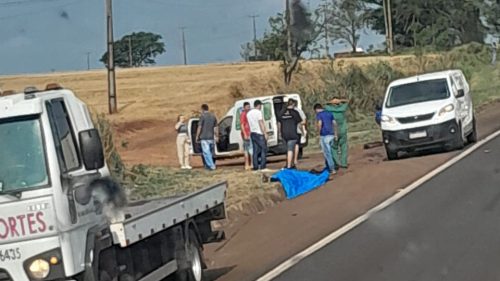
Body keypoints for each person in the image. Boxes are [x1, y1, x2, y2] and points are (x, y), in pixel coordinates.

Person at [325, 97, 349, 169]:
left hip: (333, 131)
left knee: (333, 147)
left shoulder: (329, 109)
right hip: (343, 130)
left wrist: (331, 101)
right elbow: (347, 101)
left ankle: (337, 162)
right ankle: (344, 163)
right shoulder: (342, 108)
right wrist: (340, 101)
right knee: (344, 146)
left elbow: (324, 104)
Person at [278, 100, 303, 169]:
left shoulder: (281, 112)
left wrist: (279, 133)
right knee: (290, 149)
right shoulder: (295, 112)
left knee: (288, 149)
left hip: (284, 133)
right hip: (292, 133)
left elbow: (279, 123)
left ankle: (290, 163)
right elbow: (299, 124)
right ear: (293, 104)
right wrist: (303, 132)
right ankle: (289, 165)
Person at [314, 104, 337, 174]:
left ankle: (332, 168)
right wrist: (336, 134)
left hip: (324, 135)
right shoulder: (330, 113)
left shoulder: (319, 115)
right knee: (331, 151)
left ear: (316, 109)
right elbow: (334, 123)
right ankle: (329, 165)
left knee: (327, 153)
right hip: (331, 134)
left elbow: (320, 124)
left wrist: (318, 134)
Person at [247, 100, 268, 171]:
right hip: (259, 133)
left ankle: (255, 166)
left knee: (255, 151)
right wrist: (265, 133)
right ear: (258, 105)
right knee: (264, 149)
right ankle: (263, 166)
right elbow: (261, 123)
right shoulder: (258, 112)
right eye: (261, 106)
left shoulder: (249, 113)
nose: (261, 107)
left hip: (252, 133)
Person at [196, 104, 218, 171]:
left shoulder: (202, 116)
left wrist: (197, 136)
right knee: (211, 152)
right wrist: (217, 136)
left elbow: (199, 127)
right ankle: (211, 164)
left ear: (202, 109)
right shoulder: (213, 116)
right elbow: (216, 127)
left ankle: (211, 166)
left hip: (204, 137)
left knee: (206, 152)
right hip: (211, 137)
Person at [292, 99, 306, 163]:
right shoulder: (299, 111)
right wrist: (303, 131)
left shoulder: (286, 111)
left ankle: (292, 158)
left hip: (290, 130)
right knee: (297, 144)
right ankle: (296, 157)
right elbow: (303, 121)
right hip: (298, 130)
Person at [240, 102, 253, 170]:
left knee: (251, 149)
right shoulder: (243, 114)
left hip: (250, 133)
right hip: (246, 134)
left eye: (249, 106)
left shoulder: (250, 114)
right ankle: (246, 164)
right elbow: (242, 125)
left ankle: (252, 164)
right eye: (247, 107)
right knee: (246, 150)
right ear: (244, 107)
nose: (248, 108)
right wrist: (245, 134)